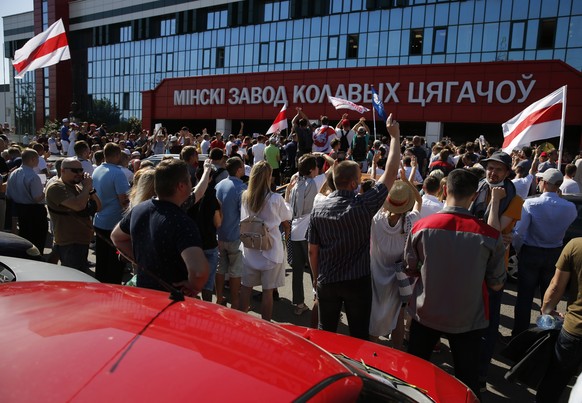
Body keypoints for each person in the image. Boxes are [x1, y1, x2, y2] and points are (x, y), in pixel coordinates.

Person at [404, 169, 506, 399]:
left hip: (426, 312)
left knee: (414, 376)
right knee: (465, 381)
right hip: (467, 318)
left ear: (445, 190)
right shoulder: (489, 235)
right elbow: (497, 283)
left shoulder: (421, 227)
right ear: (473, 197)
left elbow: (410, 267)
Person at [308, 114, 401, 340]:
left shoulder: (318, 209)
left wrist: (316, 277)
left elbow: (313, 250)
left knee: (326, 335)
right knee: (359, 334)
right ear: (352, 183)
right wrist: (395, 138)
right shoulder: (363, 205)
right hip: (357, 281)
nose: (361, 181)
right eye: (359, 178)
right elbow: (389, 175)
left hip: (327, 280)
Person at [111, 159, 209, 295]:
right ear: (181, 186)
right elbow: (199, 272)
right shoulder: (182, 222)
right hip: (172, 299)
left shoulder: (139, 209)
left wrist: (142, 262)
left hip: (144, 293)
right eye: (189, 179)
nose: (191, 183)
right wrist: (193, 287)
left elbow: (117, 237)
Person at [512, 168, 577, 337]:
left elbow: (519, 233)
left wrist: (519, 251)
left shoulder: (531, 203)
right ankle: (545, 336)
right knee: (551, 297)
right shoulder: (570, 207)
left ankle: (519, 336)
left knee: (524, 297)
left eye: (540, 181)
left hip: (531, 251)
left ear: (545, 183)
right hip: (554, 252)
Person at [369, 166, 422, 348]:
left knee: (374, 316)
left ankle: (370, 356)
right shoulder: (410, 221)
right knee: (398, 316)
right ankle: (396, 355)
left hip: (375, 276)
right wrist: (407, 182)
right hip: (398, 279)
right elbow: (419, 201)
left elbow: (375, 191)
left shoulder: (375, 219)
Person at [238, 161, 292, 321]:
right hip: (270, 249)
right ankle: (265, 325)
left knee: (246, 288)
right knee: (267, 292)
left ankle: (242, 322)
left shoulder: (245, 196)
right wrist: (287, 196)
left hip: (250, 247)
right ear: (269, 176)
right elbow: (287, 216)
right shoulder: (275, 198)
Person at [536, 238, 582, 402]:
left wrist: (547, 312)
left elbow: (556, 286)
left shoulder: (575, 246)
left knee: (553, 383)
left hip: (575, 330)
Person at [45, 158, 101, 271]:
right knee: (74, 278)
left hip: (81, 240)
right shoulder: (56, 187)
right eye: (75, 171)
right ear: (63, 171)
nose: (79, 174)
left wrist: (90, 190)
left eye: (80, 170)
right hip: (70, 242)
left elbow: (99, 207)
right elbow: (79, 206)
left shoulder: (77, 187)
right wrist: (86, 187)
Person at [284, 154, 319, 316]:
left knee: (297, 270)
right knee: (315, 268)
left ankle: (298, 303)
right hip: (307, 229)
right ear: (312, 170)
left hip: (295, 228)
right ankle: (319, 301)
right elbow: (312, 207)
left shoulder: (296, 183)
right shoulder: (310, 183)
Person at [92, 143, 130, 284]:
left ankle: (101, 286)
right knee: (115, 262)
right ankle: (112, 290)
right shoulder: (118, 173)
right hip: (114, 224)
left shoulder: (97, 169)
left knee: (101, 260)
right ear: (117, 155)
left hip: (100, 221)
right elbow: (124, 201)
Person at [215, 157, 247, 308]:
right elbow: (244, 214)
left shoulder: (219, 185)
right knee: (235, 271)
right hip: (235, 236)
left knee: (221, 267)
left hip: (220, 233)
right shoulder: (242, 188)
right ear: (239, 169)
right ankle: (235, 302)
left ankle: (219, 297)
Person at [6, 148, 48, 252]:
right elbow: (37, 198)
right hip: (34, 211)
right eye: (37, 159)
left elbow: (8, 194)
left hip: (20, 209)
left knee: (25, 238)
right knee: (37, 240)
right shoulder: (33, 176)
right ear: (33, 159)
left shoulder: (13, 173)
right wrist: (45, 190)